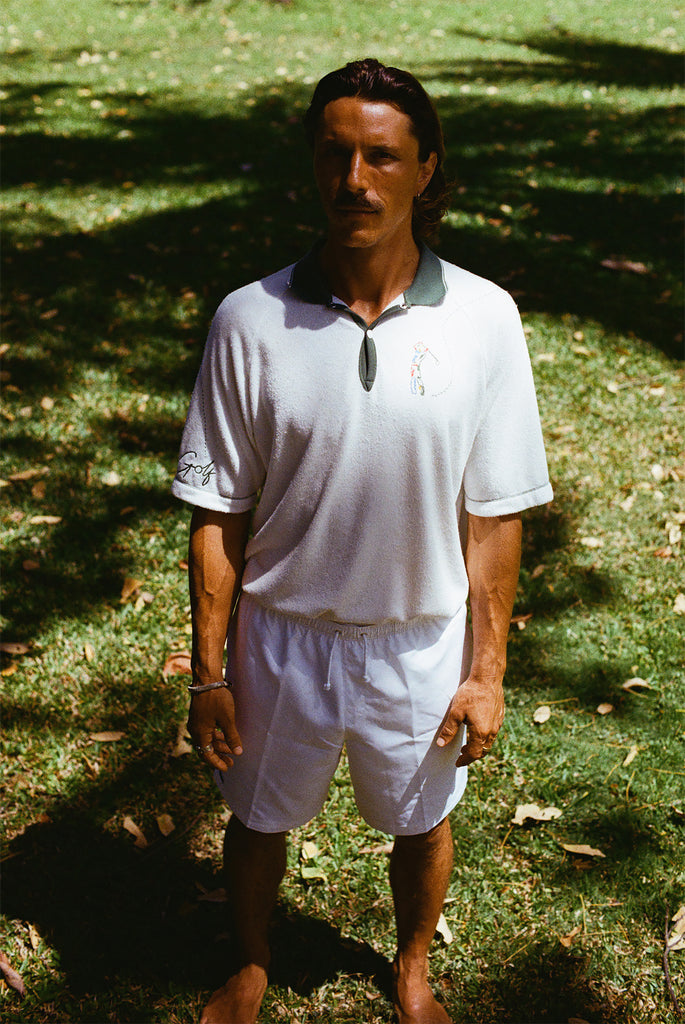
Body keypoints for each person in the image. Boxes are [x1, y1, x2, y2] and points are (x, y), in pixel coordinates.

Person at [172, 57, 553, 1024]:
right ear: (312, 165)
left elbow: (494, 511)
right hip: (281, 632)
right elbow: (216, 512)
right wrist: (210, 673)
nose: (355, 180)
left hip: (418, 639)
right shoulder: (249, 320)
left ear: (424, 170)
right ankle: (250, 963)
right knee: (256, 821)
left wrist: (487, 669)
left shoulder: (485, 318)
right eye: (335, 155)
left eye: (381, 157)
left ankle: (412, 969)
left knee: (421, 826)